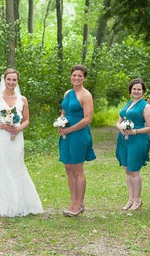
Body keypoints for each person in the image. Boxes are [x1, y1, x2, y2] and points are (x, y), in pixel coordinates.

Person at [0, 68, 43, 217]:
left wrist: (19, 128)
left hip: (16, 137)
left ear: (17, 81)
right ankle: (0, 204)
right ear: (4, 80)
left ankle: (18, 203)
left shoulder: (22, 99)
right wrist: (3, 125)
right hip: (0, 137)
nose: (11, 82)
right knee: (1, 165)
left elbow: (27, 119)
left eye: (14, 80)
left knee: (16, 165)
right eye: (9, 79)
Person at [57, 64, 96, 217]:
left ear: (84, 78)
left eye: (80, 76)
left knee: (77, 169)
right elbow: (64, 110)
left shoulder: (86, 95)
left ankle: (80, 203)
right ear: (71, 76)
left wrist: (69, 129)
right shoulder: (68, 93)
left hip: (79, 134)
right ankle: (73, 202)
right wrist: (61, 122)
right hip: (65, 134)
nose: (76, 78)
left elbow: (88, 118)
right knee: (68, 167)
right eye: (74, 75)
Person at [115, 78, 150, 211]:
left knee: (134, 170)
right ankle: (130, 198)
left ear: (143, 91)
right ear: (130, 90)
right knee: (127, 169)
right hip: (124, 139)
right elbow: (119, 121)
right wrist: (120, 127)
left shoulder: (145, 106)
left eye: (139, 89)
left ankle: (137, 200)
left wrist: (134, 131)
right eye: (134, 89)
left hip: (138, 139)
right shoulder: (128, 104)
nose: (136, 91)